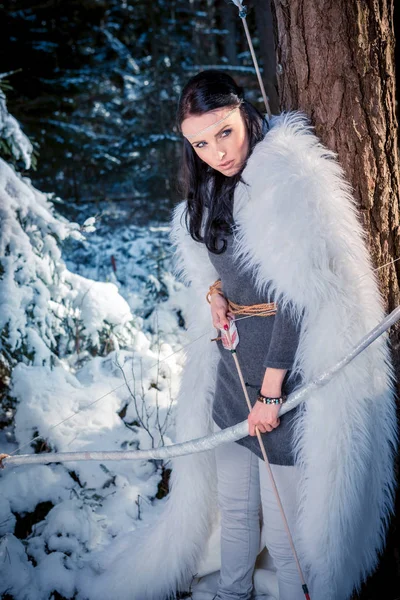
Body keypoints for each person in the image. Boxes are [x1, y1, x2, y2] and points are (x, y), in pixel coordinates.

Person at [80, 69, 397, 600]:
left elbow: (301, 302)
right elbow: (219, 270)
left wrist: (272, 394)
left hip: (286, 388)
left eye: (224, 132)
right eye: (199, 142)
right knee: (235, 512)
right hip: (231, 381)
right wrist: (215, 295)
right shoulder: (210, 188)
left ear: (243, 112)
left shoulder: (286, 180)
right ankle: (231, 594)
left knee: (285, 531)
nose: (216, 152)